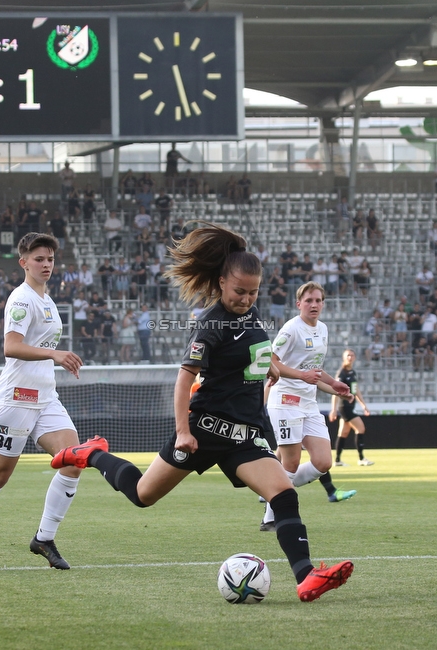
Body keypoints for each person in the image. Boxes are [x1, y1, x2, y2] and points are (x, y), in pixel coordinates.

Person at [50, 224, 354, 602]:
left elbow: (259, 355)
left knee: (284, 494)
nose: (246, 298)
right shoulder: (210, 326)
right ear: (222, 283)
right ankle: (92, 453)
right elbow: (183, 381)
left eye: (253, 291)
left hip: (244, 436)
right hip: (205, 431)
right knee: (143, 495)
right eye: (239, 291)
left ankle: (307, 577)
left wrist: (271, 367)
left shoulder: (251, 312)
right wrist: (182, 431)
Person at [0, 232, 87, 572]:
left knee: (73, 461)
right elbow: (11, 347)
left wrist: (53, 359)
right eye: (39, 259)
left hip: (46, 398)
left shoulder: (47, 300)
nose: (46, 265)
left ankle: (44, 538)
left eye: (50, 259)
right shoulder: (22, 300)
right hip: (16, 399)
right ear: (23, 262)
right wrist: (55, 354)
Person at [259, 282, 356, 533]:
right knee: (290, 462)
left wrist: (336, 385)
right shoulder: (292, 328)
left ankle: (272, 488)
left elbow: (315, 368)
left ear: (323, 303)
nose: (314, 305)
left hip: (308, 402)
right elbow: (270, 359)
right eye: (309, 300)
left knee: (323, 462)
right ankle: (270, 517)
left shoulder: (322, 329)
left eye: (318, 300)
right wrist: (301, 377)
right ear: (298, 303)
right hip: (286, 401)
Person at [331, 349, 372, 466]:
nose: (350, 357)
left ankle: (337, 460)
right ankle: (361, 458)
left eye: (352, 355)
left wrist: (363, 405)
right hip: (345, 407)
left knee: (343, 433)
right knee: (360, 428)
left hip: (350, 406)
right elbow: (336, 391)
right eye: (348, 355)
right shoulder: (342, 373)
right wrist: (333, 409)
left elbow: (356, 390)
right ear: (344, 358)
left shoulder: (353, 372)